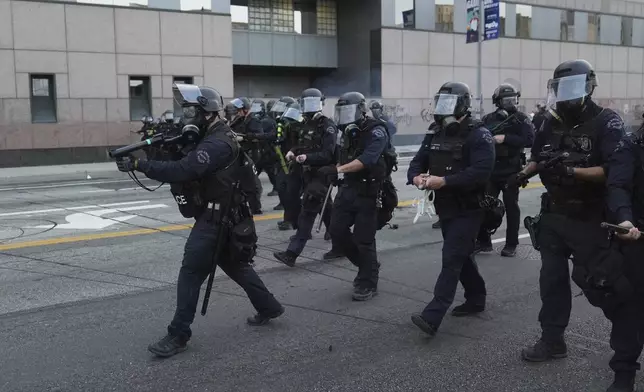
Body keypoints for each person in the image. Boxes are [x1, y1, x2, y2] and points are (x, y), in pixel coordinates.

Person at [114, 84, 284, 358]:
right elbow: (185, 158)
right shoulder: (212, 134)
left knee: (191, 272)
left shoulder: (218, 143)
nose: (186, 116)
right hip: (230, 215)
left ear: (207, 113)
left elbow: (186, 169)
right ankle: (269, 307)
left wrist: (140, 165)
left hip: (217, 218)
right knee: (237, 266)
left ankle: (178, 334)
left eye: (191, 110)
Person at [515, 60, 626, 364]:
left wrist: (573, 172)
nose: (566, 96)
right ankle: (552, 340)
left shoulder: (607, 122)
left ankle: (628, 339)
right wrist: (523, 173)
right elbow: (538, 158)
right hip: (554, 214)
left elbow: (612, 171)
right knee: (551, 279)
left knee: (597, 283)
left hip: (589, 216)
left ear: (589, 87)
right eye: (561, 89)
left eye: (573, 88)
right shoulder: (548, 122)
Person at [406, 81, 495, 338]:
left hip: (469, 208)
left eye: (449, 104)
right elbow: (417, 161)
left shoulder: (479, 134)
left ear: (463, 106)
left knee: (452, 256)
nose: (442, 109)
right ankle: (476, 297)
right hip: (445, 207)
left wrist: (444, 181)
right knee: (462, 254)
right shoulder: (435, 132)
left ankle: (433, 315)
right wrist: (416, 178)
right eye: (440, 103)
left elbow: (480, 172)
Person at [318, 92, 389, 301]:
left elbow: (367, 159)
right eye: (341, 112)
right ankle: (368, 266)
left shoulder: (376, 130)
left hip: (369, 190)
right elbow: (338, 157)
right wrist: (333, 170)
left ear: (361, 110)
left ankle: (368, 282)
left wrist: (339, 170)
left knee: (364, 239)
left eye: (348, 111)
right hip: (347, 188)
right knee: (337, 232)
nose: (345, 116)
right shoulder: (344, 132)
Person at [273, 88, 339, 266]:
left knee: (307, 213)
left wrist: (307, 158)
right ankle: (340, 243)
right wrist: (292, 151)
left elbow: (328, 154)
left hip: (322, 175)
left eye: (312, 102)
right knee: (327, 210)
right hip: (308, 175)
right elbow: (301, 145)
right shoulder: (305, 124)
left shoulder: (327, 126)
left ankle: (292, 253)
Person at [603, 128, 644, 392]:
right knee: (630, 306)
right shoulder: (630, 145)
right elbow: (617, 184)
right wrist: (624, 217)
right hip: (637, 235)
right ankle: (624, 371)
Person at [475, 83, 535, 257]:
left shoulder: (521, 119)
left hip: (512, 170)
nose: (510, 103)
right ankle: (484, 242)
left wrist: (505, 138)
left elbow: (530, 140)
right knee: (485, 206)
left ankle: (511, 244)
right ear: (497, 101)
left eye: (513, 99)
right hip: (492, 170)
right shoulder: (488, 119)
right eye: (506, 100)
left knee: (511, 208)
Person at [229, 97, 264, 214]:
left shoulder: (253, 120)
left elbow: (259, 135)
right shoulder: (240, 120)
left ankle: (256, 207)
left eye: (239, 110)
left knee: (252, 182)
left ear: (245, 109)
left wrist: (243, 137)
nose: (237, 112)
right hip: (241, 154)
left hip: (251, 153)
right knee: (242, 181)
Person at [249, 99, 279, 197]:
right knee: (256, 171)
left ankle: (276, 189)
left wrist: (254, 136)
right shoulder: (261, 120)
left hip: (268, 150)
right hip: (262, 151)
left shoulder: (267, 121)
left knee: (270, 171)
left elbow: (268, 135)